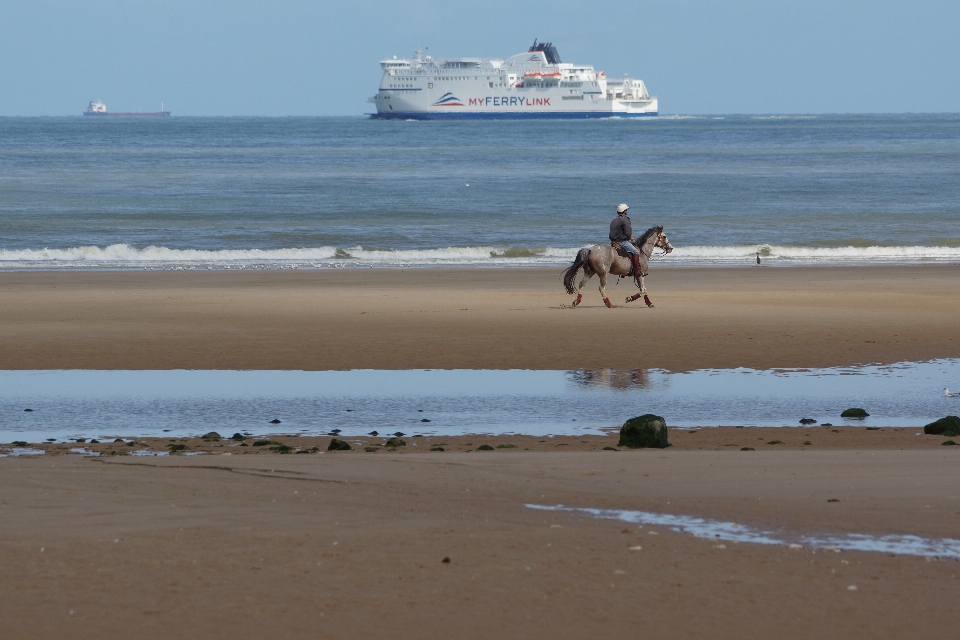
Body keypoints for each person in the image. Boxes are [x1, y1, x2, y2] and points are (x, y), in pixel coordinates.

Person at [609, 203, 642, 283]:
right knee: (635, 251)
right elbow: (628, 231)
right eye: (626, 210)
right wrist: (629, 237)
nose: (627, 211)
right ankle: (637, 270)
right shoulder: (625, 219)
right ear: (624, 211)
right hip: (621, 241)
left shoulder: (614, 220)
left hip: (613, 242)